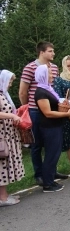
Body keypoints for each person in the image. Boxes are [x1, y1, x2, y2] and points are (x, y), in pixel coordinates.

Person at [19, 41, 68, 186]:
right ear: (41, 52)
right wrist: (27, 108)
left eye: (53, 51)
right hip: (35, 110)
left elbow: (52, 88)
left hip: (51, 107)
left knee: (51, 144)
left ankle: (51, 171)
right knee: (37, 144)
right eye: (50, 51)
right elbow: (23, 91)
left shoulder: (53, 67)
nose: (53, 54)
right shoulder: (30, 68)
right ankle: (39, 174)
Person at [34, 65, 70, 192]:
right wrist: (67, 114)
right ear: (43, 75)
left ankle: (50, 178)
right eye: (50, 74)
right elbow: (48, 113)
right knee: (51, 154)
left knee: (55, 153)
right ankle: (48, 184)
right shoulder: (41, 92)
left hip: (55, 125)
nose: (52, 76)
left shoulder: (48, 89)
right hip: (49, 127)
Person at [0, 70, 24, 206]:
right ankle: (2, 198)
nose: (10, 84)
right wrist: (12, 116)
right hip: (2, 137)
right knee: (2, 166)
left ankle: (4, 194)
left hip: (9, 135)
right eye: (9, 81)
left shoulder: (4, 94)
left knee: (6, 164)